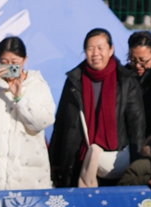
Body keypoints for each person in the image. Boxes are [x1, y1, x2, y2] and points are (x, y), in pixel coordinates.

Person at [49, 28, 145, 188]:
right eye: (90, 48)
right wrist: (55, 162)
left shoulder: (126, 81)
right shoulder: (74, 80)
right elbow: (62, 123)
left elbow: (137, 125)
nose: (95, 53)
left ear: (111, 50)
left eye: (100, 48)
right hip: (78, 161)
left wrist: (136, 165)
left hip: (115, 161)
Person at [0, 36, 56, 190]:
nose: (9, 67)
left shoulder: (37, 85)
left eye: (14, 63)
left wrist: (19, 98)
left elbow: (42, 122)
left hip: (30, 177)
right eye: (4, 62)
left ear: (25, 60)